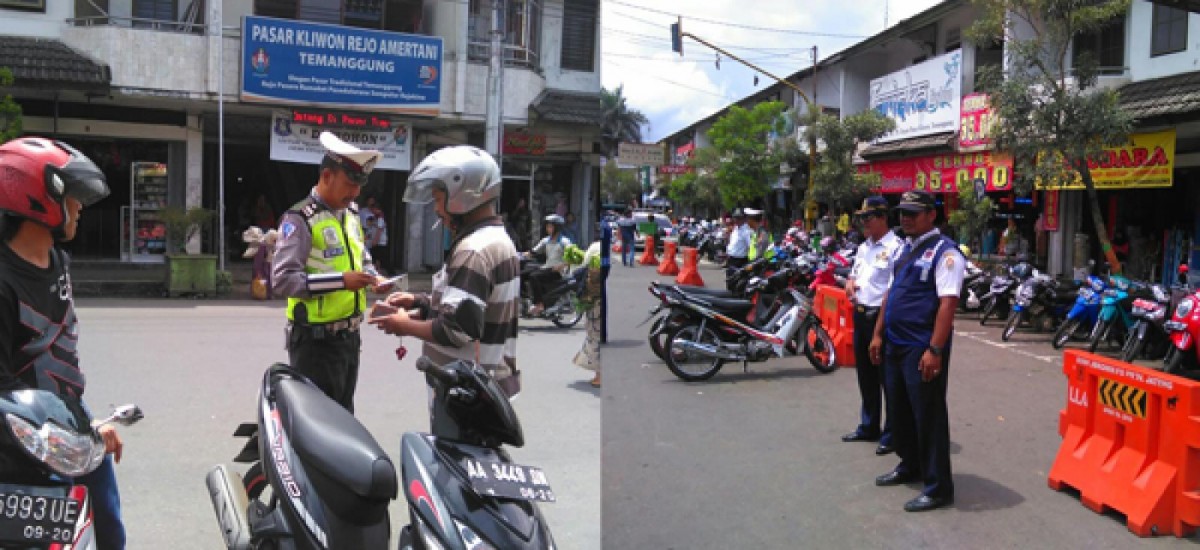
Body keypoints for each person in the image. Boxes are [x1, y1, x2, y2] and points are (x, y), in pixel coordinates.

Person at [0, 137, 126, 547]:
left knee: (106, 524)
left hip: (72, 420)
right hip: (23, 437)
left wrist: (86, 427)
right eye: (72, 196)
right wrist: (57, 438)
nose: (80, 207)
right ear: (37, 198)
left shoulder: (58, 263)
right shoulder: (3, 282)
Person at [369, 145, 522, 396]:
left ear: (465, 195)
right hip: (486, 384)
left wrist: (403, 325)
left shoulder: (473, 251)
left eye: (439, 199)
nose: (437, 209)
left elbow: (455, 331)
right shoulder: (495, 239)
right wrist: (419, 302)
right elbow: (470, 310)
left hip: (468, 394)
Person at [271, 131, 391, 413]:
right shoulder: (299, 219)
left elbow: (361, 255)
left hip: (348, 338)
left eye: (359, 186)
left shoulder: (350, 213)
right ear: (327, 176)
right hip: (315, 343)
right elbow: (283, 280)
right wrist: (340, 282)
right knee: (319, 423)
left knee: (344, 416)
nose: (355, 193)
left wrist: (374, 277)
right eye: (350, 184)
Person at [869, 190, 965, 513]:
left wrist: (935, 349)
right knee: (899, 412)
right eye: (902, 212)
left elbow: (948, 304)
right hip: (895, 344)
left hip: (921, 349)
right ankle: (910, 463)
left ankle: (938, 486)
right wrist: (878, 333)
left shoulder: (945, 253)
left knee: (928, 416)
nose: (905, 218)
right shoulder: (904, 251)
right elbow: (890, 294)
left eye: (913, 212)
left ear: (931, 215)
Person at [842, 196, 902, 456]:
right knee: (865, 376)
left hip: (881, 317)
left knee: (887, 379)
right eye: (861, 219)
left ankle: (892, 433)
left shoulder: (897, 248)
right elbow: (854, 273)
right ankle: (869, 425)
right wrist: (849, 283)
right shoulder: (864, 246)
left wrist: (878, 331)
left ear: (882, 217)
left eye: (868, 218)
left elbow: (892, 291)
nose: (863, 223)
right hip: (860, 313)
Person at [524, 214, 573, 316]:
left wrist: (561, 266)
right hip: (547, 267)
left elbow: (573, 258)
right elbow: (532, 252)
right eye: (547, 226)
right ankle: (528, 299)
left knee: (534, 276)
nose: (548, 229)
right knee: (524, 273)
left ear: (557, 227)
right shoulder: (546, 240)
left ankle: (539, 304)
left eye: (550, 226)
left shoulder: (565, 242)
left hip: (558, 271)